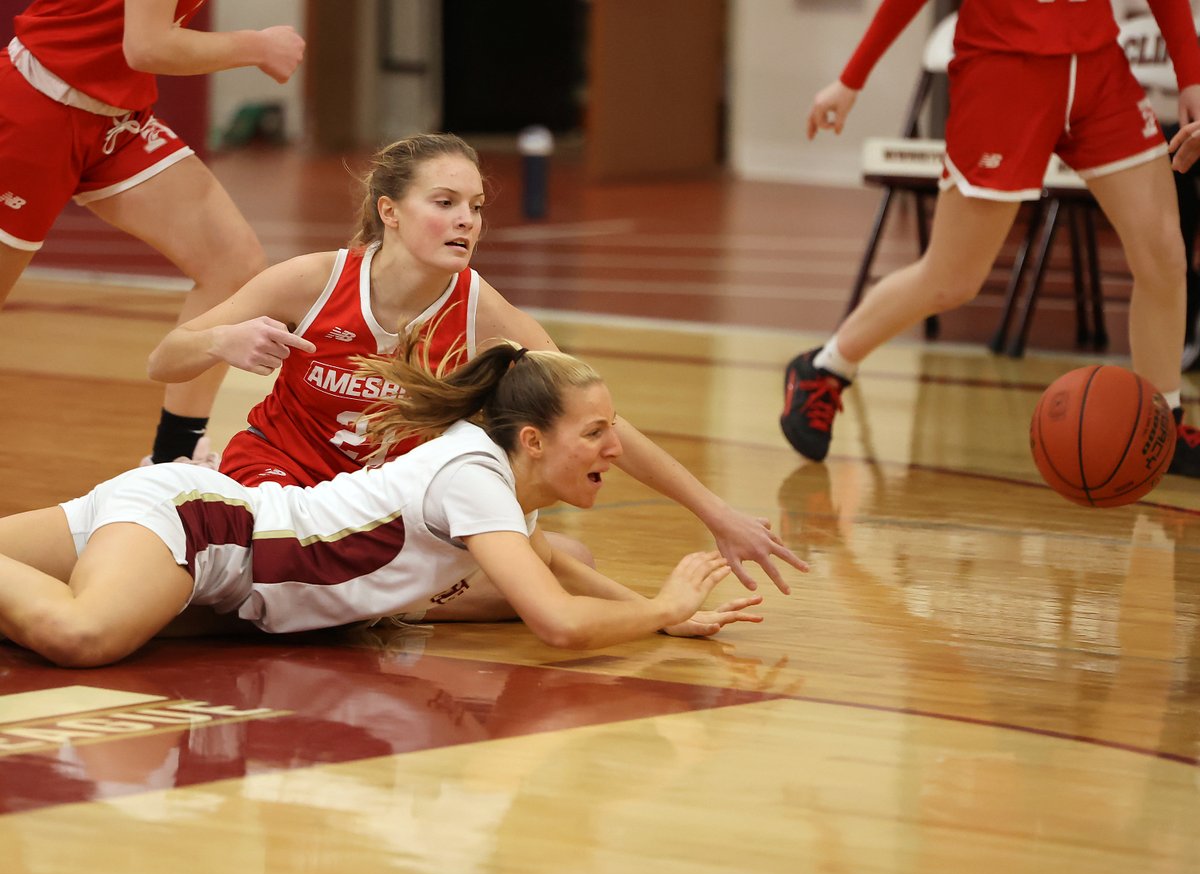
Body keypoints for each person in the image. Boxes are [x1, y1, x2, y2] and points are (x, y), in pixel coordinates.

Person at [148, 132, 808, 595]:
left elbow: (598, 423)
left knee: (567, 556)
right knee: (320, 564)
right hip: (283, 482)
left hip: (379, 510)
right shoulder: (312, 282)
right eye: (445, 203)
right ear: (391, 213)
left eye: (476, 207)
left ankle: (370, 598)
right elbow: (163, 360)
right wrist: (219, 344)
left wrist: (716, 513)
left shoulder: (482, 313)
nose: (467, 220)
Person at [0, 339, 765, 668]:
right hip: (204, 530)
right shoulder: (473, 474)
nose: (615, 449)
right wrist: (661, 608)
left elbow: (551, 560)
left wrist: (659, 609)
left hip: (190, 517)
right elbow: (559, 623)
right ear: (532, 440)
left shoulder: (493, 483)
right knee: (82, 633)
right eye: (596, 432)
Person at [783, 0, 1200, 478]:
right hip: (1003, 71)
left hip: (1098, 71)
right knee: (952, 278)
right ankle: (825, 367)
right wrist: (851, 79)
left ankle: (1161, 425)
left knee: (1164, 251)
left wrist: (1192, 76)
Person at [0, 0, 305, 465]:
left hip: (116, 120)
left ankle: (173, 457)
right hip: (34, 106)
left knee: (232, 263)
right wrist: (258, 46)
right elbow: (148, 46)